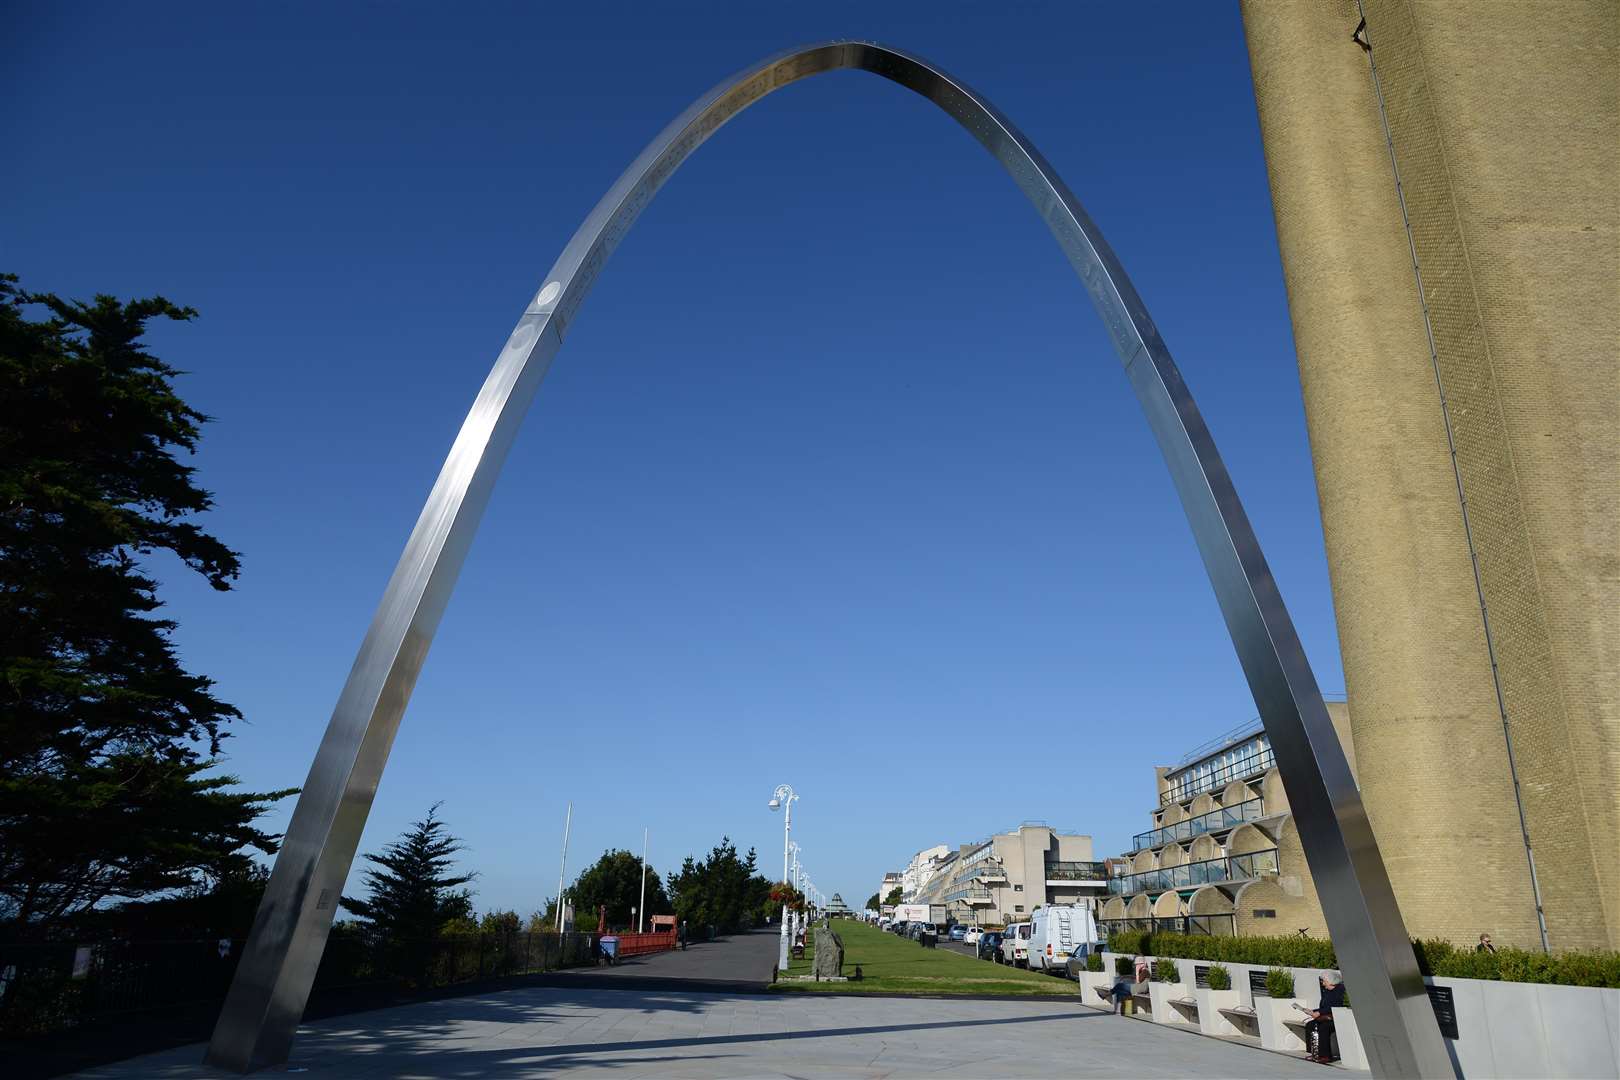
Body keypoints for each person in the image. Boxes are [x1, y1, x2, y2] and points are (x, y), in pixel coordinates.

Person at [1304, 971, 1345, 1064]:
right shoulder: (1327, 991)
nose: (1322, 983)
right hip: (1325, 1016)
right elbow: (1324, 1007)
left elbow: (1336, 1006)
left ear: (1331, 981)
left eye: (1324, 981)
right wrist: (1313, 1011)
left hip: (1336, 1018)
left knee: (1323, 1028)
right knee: (1310, 1025)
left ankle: (1325, 1055)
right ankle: (1315, 1053)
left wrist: (1319, 1012)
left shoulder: (1340, 990)